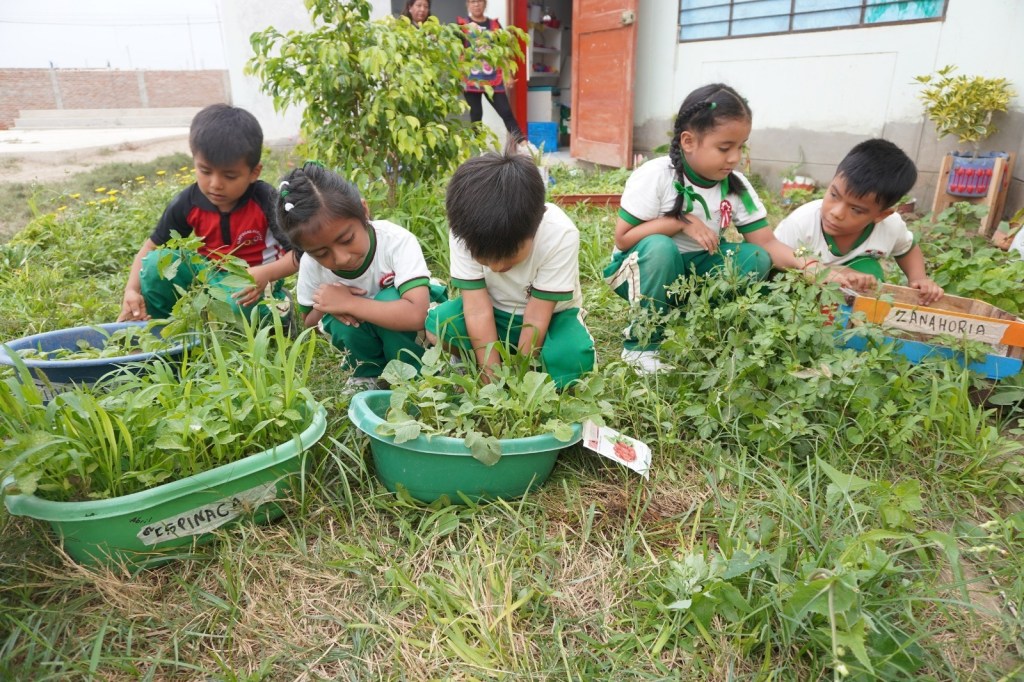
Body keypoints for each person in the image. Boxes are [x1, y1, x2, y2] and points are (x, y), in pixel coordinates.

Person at [603, 83, 818, 374]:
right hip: (639, 270)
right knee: (660, 247)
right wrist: (679, 221)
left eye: (741, 147)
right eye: (724, 148)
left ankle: (700, 319)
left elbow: (767, 243)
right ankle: (641, 348)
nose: (734, 158)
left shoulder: (736, 186)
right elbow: (624, 238)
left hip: (693, 272)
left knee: (755, 258)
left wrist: (808, 264)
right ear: (688, 141)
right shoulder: (656, 176)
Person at [426, 149, 594, 389]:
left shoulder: (559, 235)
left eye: (509, 257)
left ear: (534, 228)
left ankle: (534, 368)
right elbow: (476, 310)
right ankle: (473, 359)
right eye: (484, 259)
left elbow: (536, 318)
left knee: (572, 357)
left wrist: (517, 384)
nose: (496, 267)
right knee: (439, 327)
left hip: (552, 318)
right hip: (493, 312)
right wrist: (491, 384)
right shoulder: (466, 230)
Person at [118, 104, 297, 322]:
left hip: (252, 282)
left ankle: (278, 304)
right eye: (205, 171)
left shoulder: (266, 199)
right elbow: (150, 248)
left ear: (254, 172)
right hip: (207, 277)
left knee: (238, 311)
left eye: (229, 176)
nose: (215, 184)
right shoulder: (188, 202)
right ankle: (159, 326)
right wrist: (131, 291)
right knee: (158, 263)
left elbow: (299, 255)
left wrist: (267, 274)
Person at [276, 162, 446, 392]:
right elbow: (310, 323)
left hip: (413, 328)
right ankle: (367, 373)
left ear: (364, 211)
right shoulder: (310, 265)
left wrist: (351, 303)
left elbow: (417, 314)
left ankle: (417, 371)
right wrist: (328, 305)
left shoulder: (395, 241)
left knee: (388, 298)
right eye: (321, 253)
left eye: (346, 240)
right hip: (366, 332)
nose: (341, 258)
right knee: (336, 318)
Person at [774, 139, 943, 305]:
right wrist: (834, 271)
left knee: (870, 272)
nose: (836, 213)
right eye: (834, 195)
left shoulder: (890, 226)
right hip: (796, 286)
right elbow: (775, 260)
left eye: (856, 209)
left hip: (843, 289)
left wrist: (919, 278)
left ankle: (846, 322)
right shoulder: (802, 222)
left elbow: (907, 249)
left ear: (881, 215)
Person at [457, 0, 527, 146]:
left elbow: (503, 52)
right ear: (468, 4)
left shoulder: (495, 26)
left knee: (506, 112)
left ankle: (524, 147)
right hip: (471, 81)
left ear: (485, 4)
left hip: (493, 79)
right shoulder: (462, 26)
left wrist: (508, 74)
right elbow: (455, 51)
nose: (476, 4)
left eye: (479, 1)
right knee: (476, 116)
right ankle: (477, 152)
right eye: (472, 1)